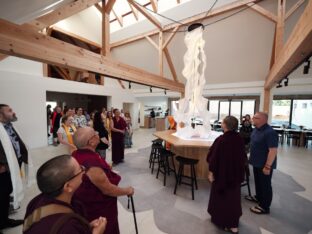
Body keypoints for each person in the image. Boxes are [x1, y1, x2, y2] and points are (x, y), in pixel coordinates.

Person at [72, 127, 134, 234]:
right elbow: (108, 190)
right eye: (94, 133)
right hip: (98, 208)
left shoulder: (76, 153)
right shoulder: (92, 165)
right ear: (91, 142)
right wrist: (127, 191)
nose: (97, 133)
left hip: (85, 204)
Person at [23, 155, 107, 234]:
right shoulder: (68, 227)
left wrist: (86, 227)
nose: (84, 171)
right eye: (80, 169)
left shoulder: (34, 202)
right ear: (68, 186)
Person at [207, 116, 246, 234]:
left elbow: (213, 158)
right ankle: (233, 223)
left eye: (223, 122)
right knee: (233, 199)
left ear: (225, 125)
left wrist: (211, 172)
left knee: (222, 198)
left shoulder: (221, 140)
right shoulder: (239, 139)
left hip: (222, 175)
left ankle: (224, 222)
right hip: (236, 175)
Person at [0, 104, 29, 232]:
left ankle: (4, 221)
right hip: (3, 168)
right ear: (1, 114)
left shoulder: (9, 126)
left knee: (5, 194)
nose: (13, 112)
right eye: (9, 111)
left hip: (13, 166)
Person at [247, 112, 278, 214]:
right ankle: (259, 197)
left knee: (265, 185)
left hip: (264, 164)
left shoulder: (270, 132)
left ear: (262, 120)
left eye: (255, 118)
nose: (252, 119)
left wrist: (268, 166)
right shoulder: (256, 129)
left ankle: (265, 207)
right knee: (258, 182)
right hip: (256, 162)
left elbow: (273, 151)